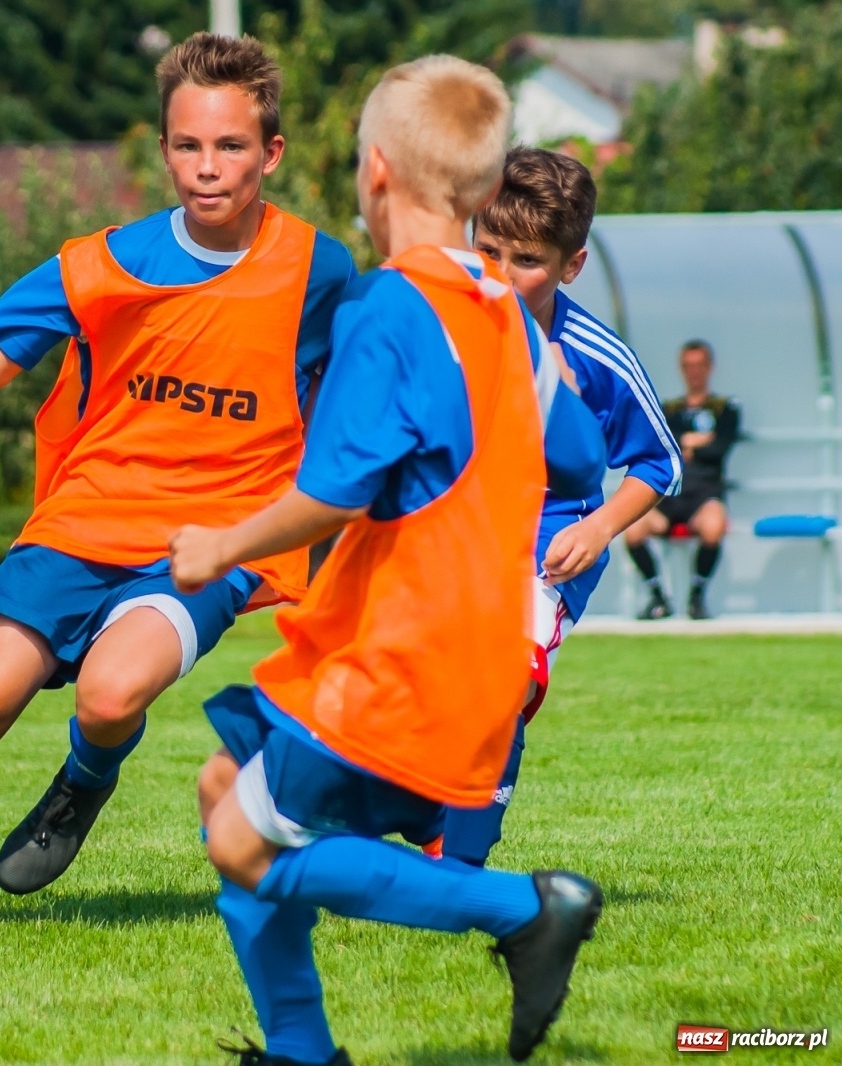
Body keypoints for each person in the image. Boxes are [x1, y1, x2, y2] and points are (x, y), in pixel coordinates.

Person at [0, 32, 355, 905]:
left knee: (110, 699)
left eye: (231, 146)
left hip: (209, 543)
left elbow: (367, 389)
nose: (208, 167)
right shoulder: (106, 261)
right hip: (83, 522)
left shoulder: (320, 270)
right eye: (188, 145)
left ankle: (83, 783)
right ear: (162, 150)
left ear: (270, 153)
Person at [167, 56, 606, 1066]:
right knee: (221, 785)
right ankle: (299, 1050)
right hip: (470, 652)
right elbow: (578, 456)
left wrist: (222, 543)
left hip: (396, 652)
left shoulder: (385, 309)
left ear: (373, 173)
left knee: (242, 843)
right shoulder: (504, 312)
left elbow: (337, 489)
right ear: (489, 193)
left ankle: (523, 908)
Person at [434, 147, 682, 867]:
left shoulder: (597, 355)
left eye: (527, 261)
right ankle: (424, 817)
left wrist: (598, 526)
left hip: (549, 543)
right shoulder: (435, 325)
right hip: (446, 538)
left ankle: (462, 865)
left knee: (503, 679)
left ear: (570, 266)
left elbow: (659, 462)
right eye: (488, 251)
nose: (502, 276)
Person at [624, 340, 740, 620]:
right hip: (669, 495)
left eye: (699, 365)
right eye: (688, 366)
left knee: (714, 527)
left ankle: (697, 597)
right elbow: (664, 444)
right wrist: (697, 441)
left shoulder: (725, 408)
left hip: (704, 494)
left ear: (709, 368)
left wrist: (690, 444)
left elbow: (720, 448)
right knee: (632, 530)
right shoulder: (670, 409)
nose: (694, 372)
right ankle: (658, 597)